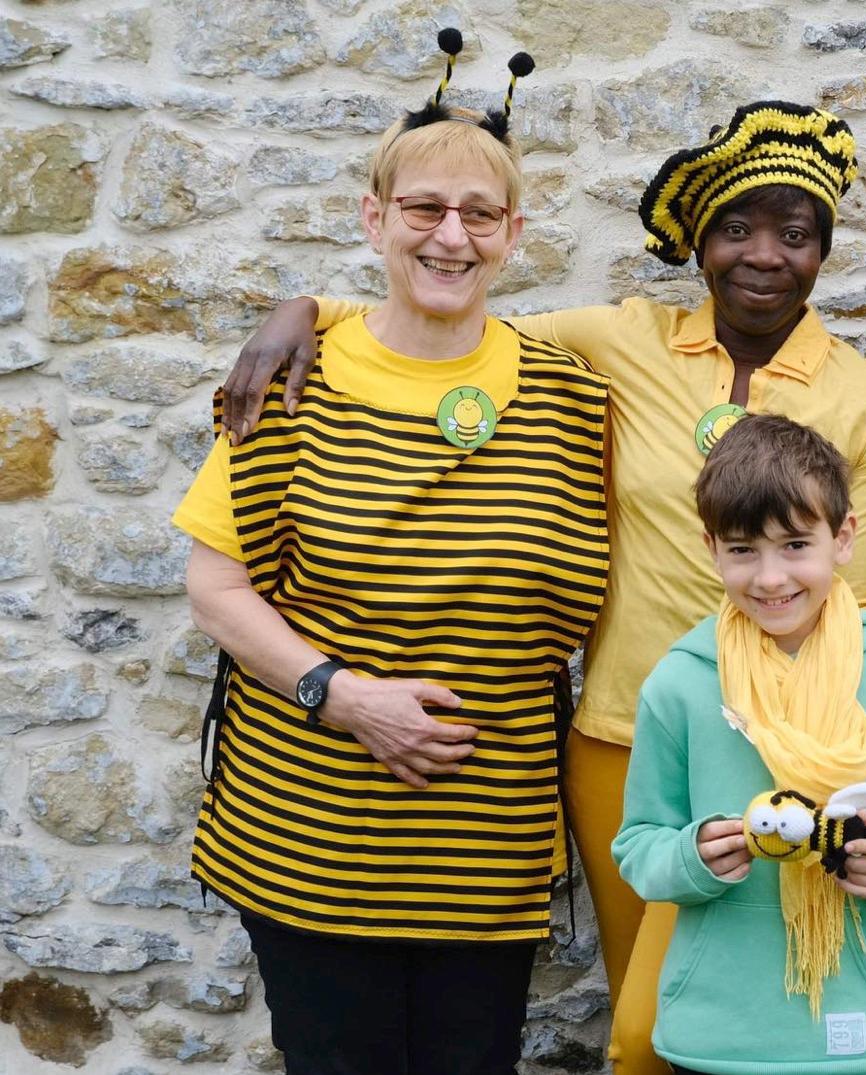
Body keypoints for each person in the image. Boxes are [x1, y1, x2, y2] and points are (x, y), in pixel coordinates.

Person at [216, 101, 866, 1075]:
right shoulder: (624, 340)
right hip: (629, 735)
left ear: (823, 252)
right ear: (697, 244)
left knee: (722, 1021)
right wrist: (308, 310)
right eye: (737, 228)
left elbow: (855, 594)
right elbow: (452, 310)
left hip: (804, 734)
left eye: (795, 234)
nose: (764, 255)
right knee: (651, 1019)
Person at [173, 35, 611, 1075]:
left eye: (479, 214)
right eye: (423, 208)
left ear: (514, 234)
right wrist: (345, 694)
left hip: (488, 845)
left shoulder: (573, 394)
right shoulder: (290, 377)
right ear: (375, 220)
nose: (450, 235)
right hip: (311, 834)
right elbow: (214, 586)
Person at [612, 415, 866, 1075]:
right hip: (718, 1038)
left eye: (796, 544)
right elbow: (639, 846)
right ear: (711, 547)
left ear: (844, 537)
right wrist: (692, 857)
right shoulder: (681, 682)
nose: (771, 578)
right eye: (743, 549)